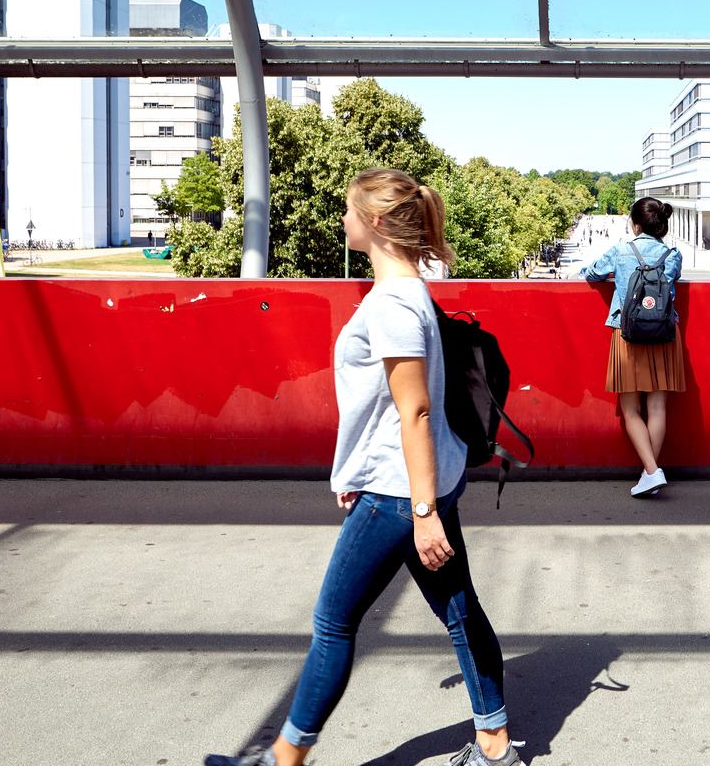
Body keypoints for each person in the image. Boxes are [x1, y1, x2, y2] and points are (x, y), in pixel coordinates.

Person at [206, 168, 520, 766]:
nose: (342, 220)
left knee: (333, 624)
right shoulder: (410, 295)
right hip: (417, 484)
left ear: (374, 224)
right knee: (459, 610)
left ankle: (284, 759)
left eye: (349, 211)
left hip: (401, 492)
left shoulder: (394, 305)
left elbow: (417, 412)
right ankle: (495, 743)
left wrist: (422, 512)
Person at [582, 196, 684, 498]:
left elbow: (593, 273)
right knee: (657, 406)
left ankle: (652, 472)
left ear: (636, 224)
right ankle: (650, 473)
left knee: (630, 409)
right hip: (664, 332)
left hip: (627, 332)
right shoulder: (673, 254)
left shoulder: (623, 250)